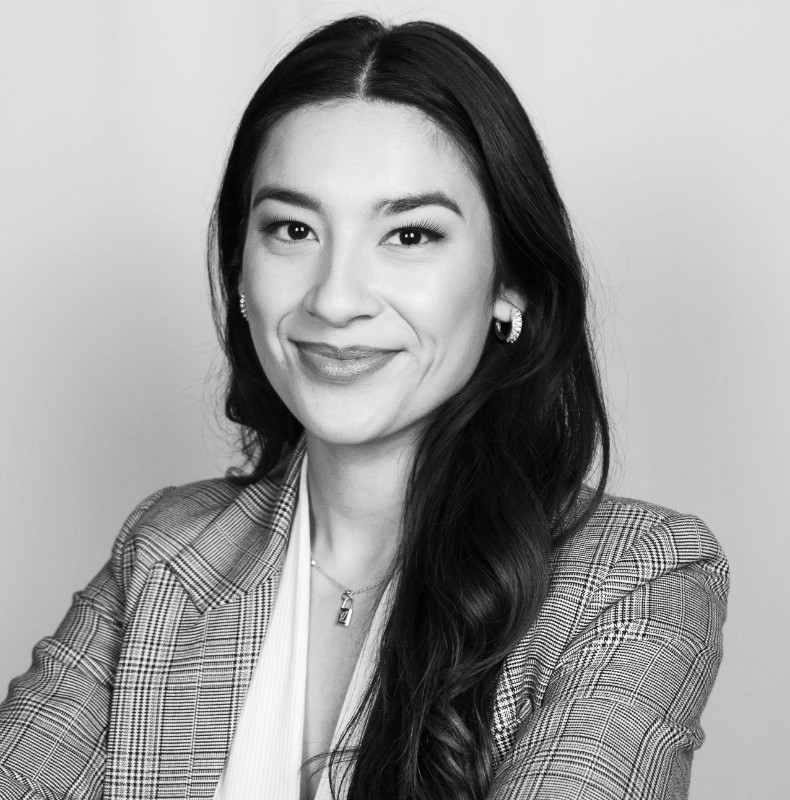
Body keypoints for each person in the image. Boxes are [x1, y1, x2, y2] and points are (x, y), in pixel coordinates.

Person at [0, 15, 728, 800]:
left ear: (510, 283)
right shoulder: (166, 550)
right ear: (240, 271)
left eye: (410, 235)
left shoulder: (636, 577)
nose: (336, 299)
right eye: (293, 229)